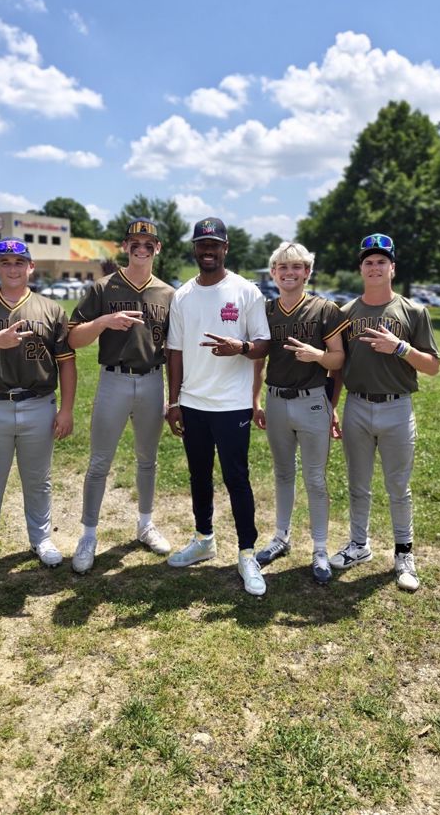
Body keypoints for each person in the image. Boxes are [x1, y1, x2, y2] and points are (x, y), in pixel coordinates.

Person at [0, 238, 76, 576]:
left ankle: (41, 538)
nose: (13, 269)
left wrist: (66, 409)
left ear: (31, 267)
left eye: (19, 262)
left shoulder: (51, 309)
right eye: (5, 262)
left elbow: (66, 362)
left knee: (38, 479)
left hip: (39, 403)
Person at [329, 233, 440, 591]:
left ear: (392, 267)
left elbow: (432, 366)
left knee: (398, 487)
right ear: (361, 269)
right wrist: (332, 407)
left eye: (381, 261)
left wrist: (400, 347)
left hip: (396, 406)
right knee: (357, 483)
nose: (374, 267)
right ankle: (358, 545)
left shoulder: (413, 312)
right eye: (368, 262)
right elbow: (337, 367)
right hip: (357, 405)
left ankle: (404, 553)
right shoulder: (345, 313)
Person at [166, 218, 271, 596]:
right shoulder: (182, 296)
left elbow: (264, 344)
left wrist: (240, 347)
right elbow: (174, 352)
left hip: (232, 405)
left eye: (214, 244)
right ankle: (204, 539)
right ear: (195, 248)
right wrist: (174, 400)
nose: (208, 250)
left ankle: (247, 553)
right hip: (193, 403)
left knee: (236, 478)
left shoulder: (246, 291)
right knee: (199, 476)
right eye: (202, 244)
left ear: (226, 248)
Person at [67, 218, 175, 573]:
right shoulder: (104, 287)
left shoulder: (168, 293)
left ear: (157, 248)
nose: (142, 249)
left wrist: (173, 395)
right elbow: (73, 338)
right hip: (113, 379)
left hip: (152, 379)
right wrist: (103, 322)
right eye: (135, 243)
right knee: (100, 461)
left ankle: (145, 524)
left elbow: (174, 348)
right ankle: (88, 534)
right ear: (125, 247)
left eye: (148, 244)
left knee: (148, 459)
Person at [252, 242, 346, 583]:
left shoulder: (325, 309)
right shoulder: (266, 310)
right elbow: (259, 360)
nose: (289, 273)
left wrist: (317, 356)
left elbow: (339, 359)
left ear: (307, 272)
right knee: (282, 473)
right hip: (276, 399)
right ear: (273, 272)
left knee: (315, 478)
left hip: (312, 400)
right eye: (283, 267)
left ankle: (320, 548)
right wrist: (255, 400)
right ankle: (281, 537)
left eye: (296, 267)